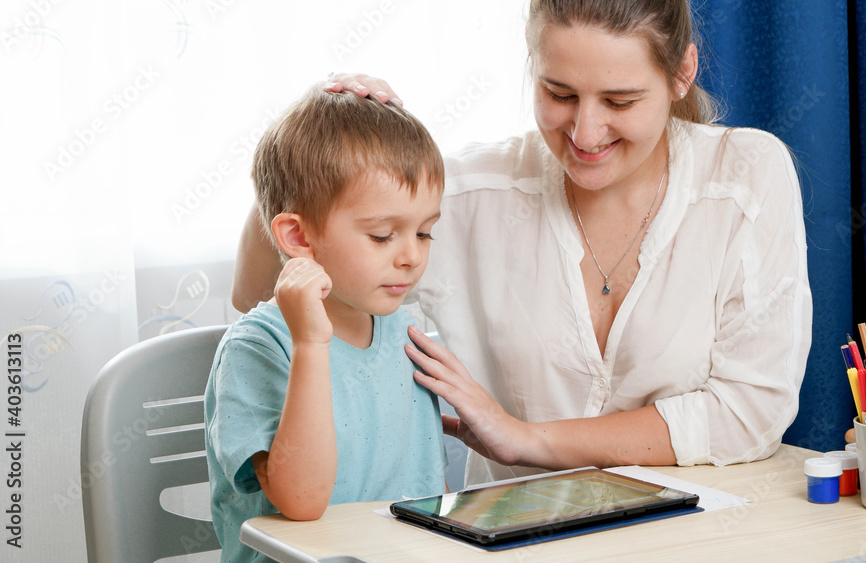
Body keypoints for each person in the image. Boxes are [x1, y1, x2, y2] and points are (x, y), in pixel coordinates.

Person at [232, 0, 813, 487]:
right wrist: (318, 151)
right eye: (559, 93)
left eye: (619, 101)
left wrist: (525, 439)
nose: (585, 133)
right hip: (516, 544)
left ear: (682, 72)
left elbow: (749, 413)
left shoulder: (745, 178)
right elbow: (258, 292)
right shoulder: (471, 194)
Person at [206, 86, 447, 562]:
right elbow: (302, 501)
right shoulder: (256, 347)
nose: (412, 256)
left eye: (424, 232)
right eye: (382, 236)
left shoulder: (401, 330)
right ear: (299, 236)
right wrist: (311, 345)